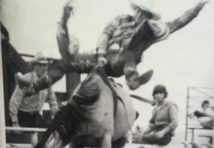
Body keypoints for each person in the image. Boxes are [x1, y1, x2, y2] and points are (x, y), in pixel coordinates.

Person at [16, 1, 208, 93]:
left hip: (124, 62)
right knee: (67, 62)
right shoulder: (120, 19)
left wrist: (198, 7)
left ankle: (133, 79)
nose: (142, 16)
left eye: (146, 15)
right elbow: (105, 34)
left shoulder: (147, 32)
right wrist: (99, 53)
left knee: (129, 53)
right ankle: (35, 86)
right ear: (137, 11)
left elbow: (177, 23)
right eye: (141, 13)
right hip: (105, 58)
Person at [9, 52, 59, 146]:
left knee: (54, 131)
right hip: (22, 115)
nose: (42, 68)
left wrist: (54, 112)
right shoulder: (26, 79)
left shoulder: (47, 82)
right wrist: (15, 122)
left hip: (36, 116)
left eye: (44, 65)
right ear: (35, 66)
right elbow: (15, 101)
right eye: (39, 65)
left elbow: (53, 101)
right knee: (17, 137)